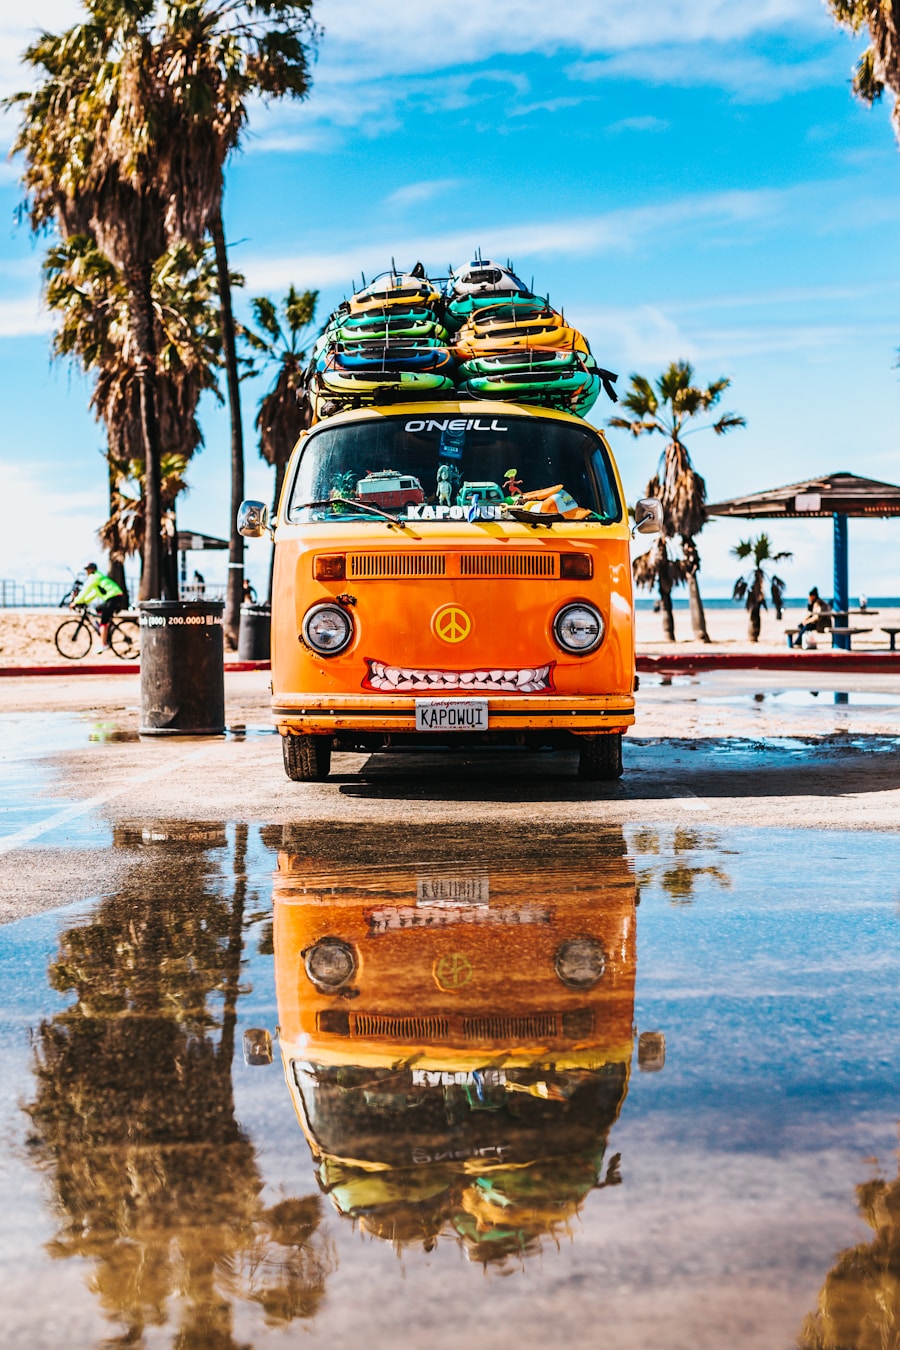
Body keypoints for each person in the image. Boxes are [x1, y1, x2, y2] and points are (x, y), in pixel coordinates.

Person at [71, 562, 125, 649]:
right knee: (98, 609)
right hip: (115, 597)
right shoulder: (98, 578)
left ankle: (103, 644)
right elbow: (93, 594)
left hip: (114, 598)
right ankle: (108, 628)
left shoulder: (94, 577)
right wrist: (83, 601)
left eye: (88, 570)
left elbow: (85, 590)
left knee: (103, 621)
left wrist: (76, 602)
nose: (86, 572)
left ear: (92, 570)